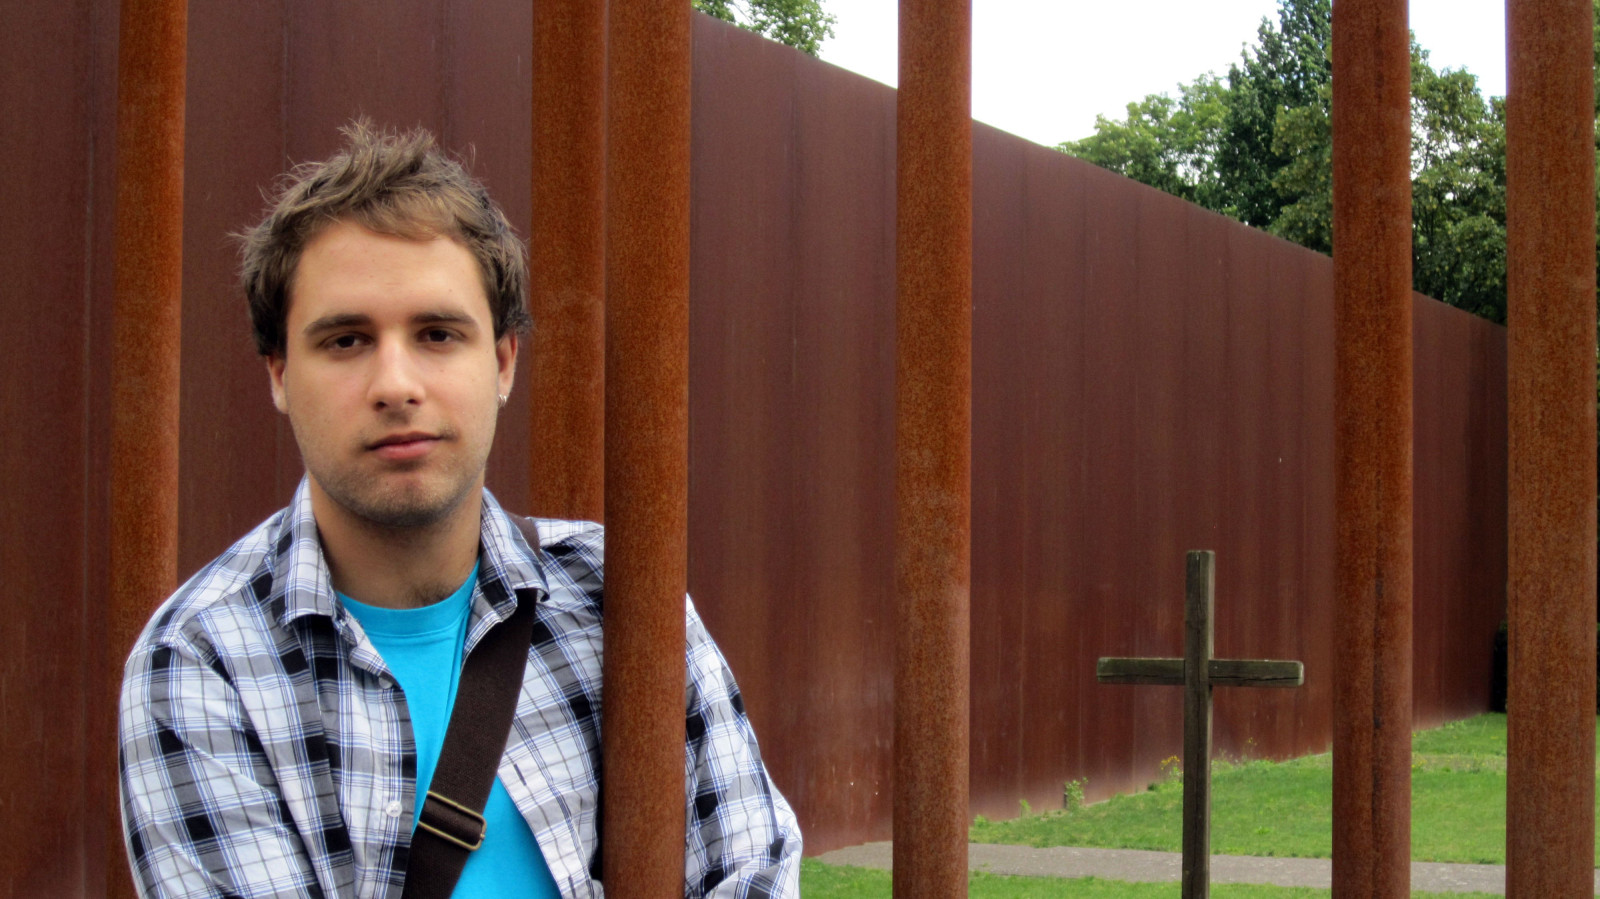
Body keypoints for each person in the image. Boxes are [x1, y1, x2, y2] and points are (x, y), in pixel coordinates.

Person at [117, 121, 801, 899]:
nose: (395, 384)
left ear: (503, 362)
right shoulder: (201, 659)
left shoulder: (618, 598)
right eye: (345, 341)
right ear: (278, 373)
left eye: (438, 333)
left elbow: (753, 871)